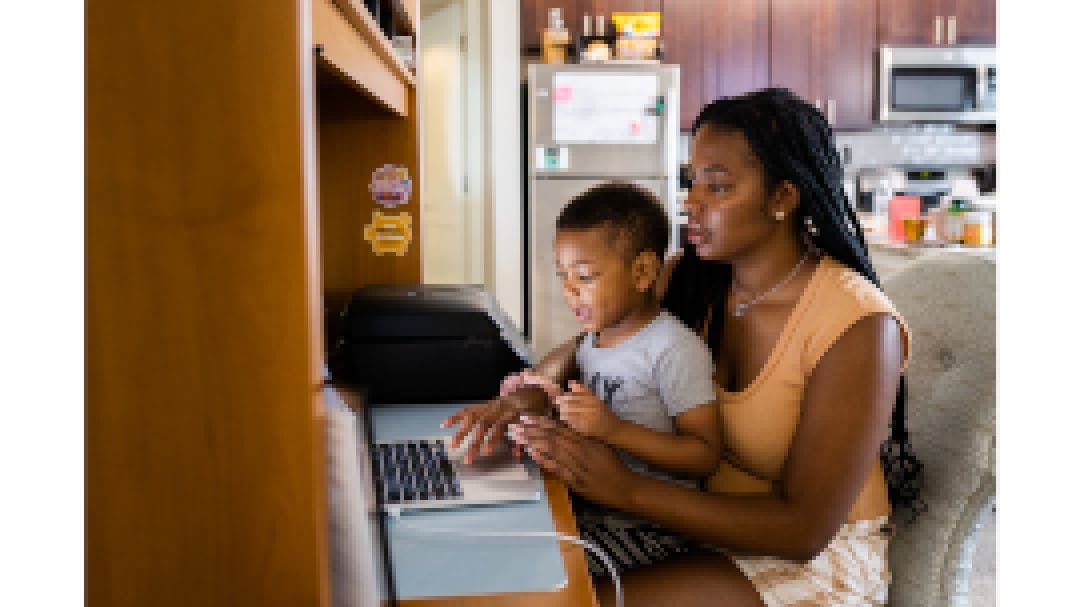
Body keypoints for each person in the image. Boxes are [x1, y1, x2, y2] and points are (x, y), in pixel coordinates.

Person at [446, 87, 922, 606]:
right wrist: (530, 394)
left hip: (811, 559)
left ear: (783, 198)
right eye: (691, 182)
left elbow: (803, 529)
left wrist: (624, 488)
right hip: (688, 521)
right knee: (503, 578)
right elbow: (587, 344)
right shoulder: (693, 280)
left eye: (716, 188)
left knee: (568, 601)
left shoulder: (858, 325)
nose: (690, 203)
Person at [519, 182, 721, 575]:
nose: (570, 291)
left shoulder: (673, 349)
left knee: (541, 573)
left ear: (643, 271)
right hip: (597, 511)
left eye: (586, 276)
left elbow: (704, 456)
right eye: (563, 276)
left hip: (653, 530)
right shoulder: (595, 341)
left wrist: (613, 429)